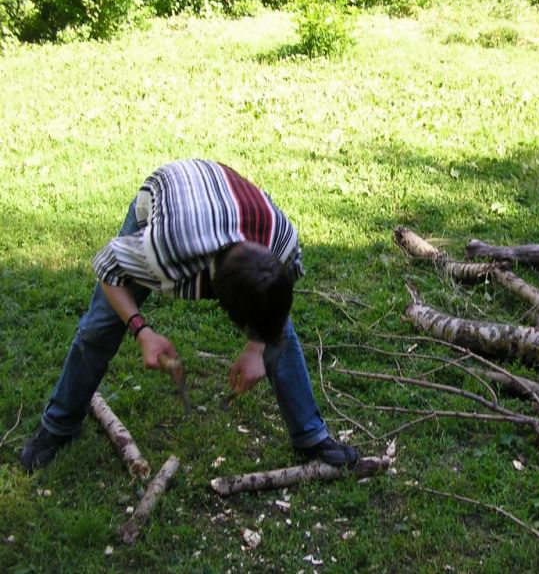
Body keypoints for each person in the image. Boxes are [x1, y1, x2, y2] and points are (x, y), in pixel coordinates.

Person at [20, 159, 359, 471]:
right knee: (99, 327)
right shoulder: (165, 250)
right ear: (213, 295)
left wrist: (258, 346)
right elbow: (109, 270)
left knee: (276, 326)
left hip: (222, 199)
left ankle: (310, 435)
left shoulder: (283, 245)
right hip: (170, 193)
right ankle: (59, 425)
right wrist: (141, 331)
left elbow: (275, 315)